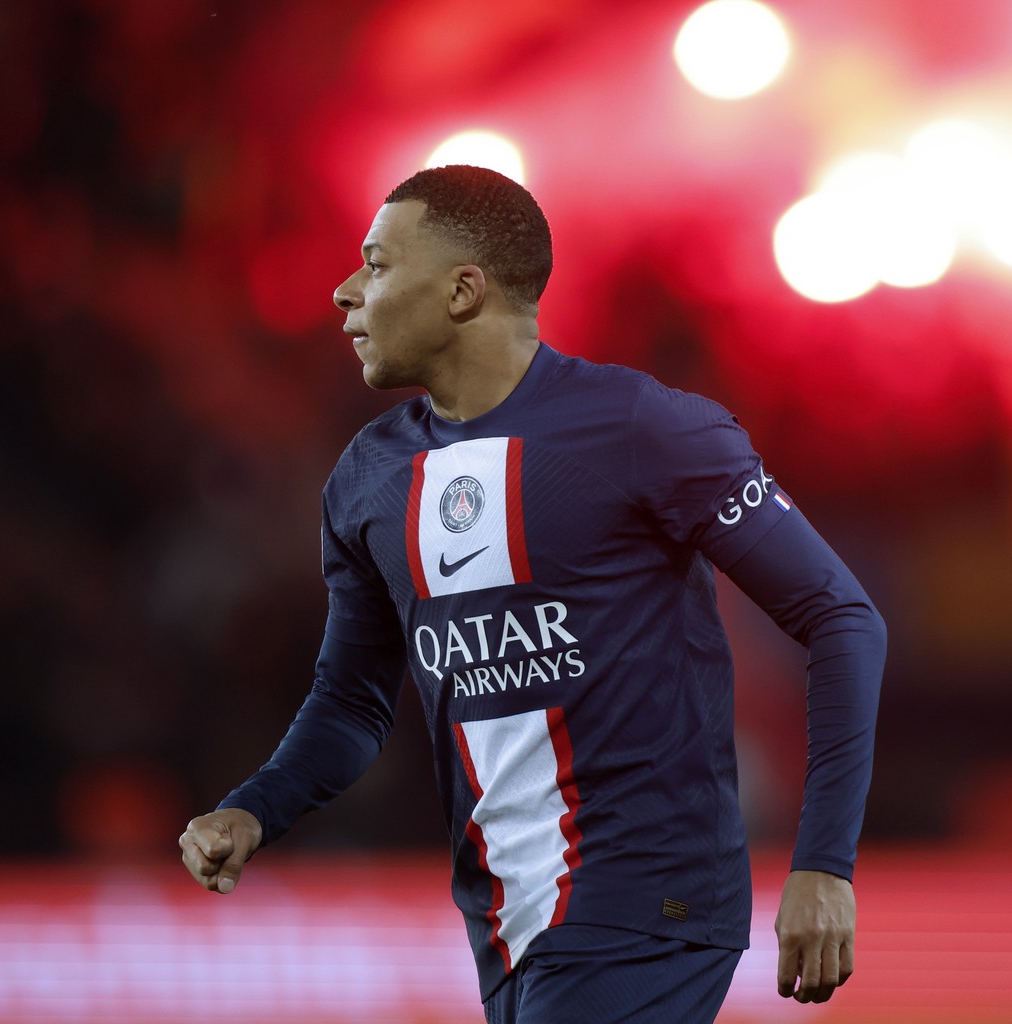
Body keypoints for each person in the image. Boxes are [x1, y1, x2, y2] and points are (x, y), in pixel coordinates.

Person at [179, 164, 887, 1023]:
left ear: (463, 291)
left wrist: (824, 865)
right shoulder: (368, 478)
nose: (343, 291)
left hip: (645, 905)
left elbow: (841, 616)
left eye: (376, 264)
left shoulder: (643, 427)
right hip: (505, 923)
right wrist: (256, 809)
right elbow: (353, 702)